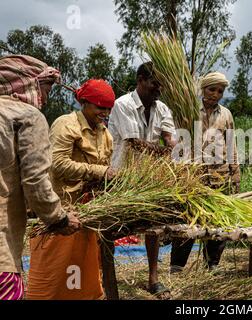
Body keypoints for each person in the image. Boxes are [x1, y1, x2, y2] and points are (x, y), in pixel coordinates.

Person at [27, 79, 116, 300]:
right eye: (99, 107)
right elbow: (57, 164)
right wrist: (100, 172)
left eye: (107, 109)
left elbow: (103, 169)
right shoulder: (65, 124)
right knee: (52, 276)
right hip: (60, 213)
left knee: (80, 275)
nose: (104, 113)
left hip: (87, 214)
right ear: (84, 103)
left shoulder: (105, 134)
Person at [0, 55, 80, 300]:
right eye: (45, 87)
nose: (45, 96)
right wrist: (59, 219)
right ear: (28, 83)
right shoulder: (27, 116)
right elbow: (35, 181)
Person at [108, 62, 176, 299]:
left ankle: (153, 278)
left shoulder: (162, 108)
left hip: (150, 178)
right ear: (140, 80)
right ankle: (105, 277)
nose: (159, 88)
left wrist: (172, 144)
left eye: (161, 85)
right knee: (112, 226)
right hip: (121, 175)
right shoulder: (123, 105)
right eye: (154, 83)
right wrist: (164, 151)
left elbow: (169, 136)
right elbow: (135, 142)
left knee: (153, 226)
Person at [170, 72, 241, 273]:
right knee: (188, 220)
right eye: (212, 89)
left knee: (217, 220)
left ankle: (213, 264)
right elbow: (178, 143)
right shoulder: (189, 110)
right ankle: (177, 266)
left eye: (220, 91)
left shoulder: (226, 114)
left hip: (219, 175)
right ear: (203, 89)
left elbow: (231, 145)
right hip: (194, 176)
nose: (215, 94)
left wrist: (235, 176)